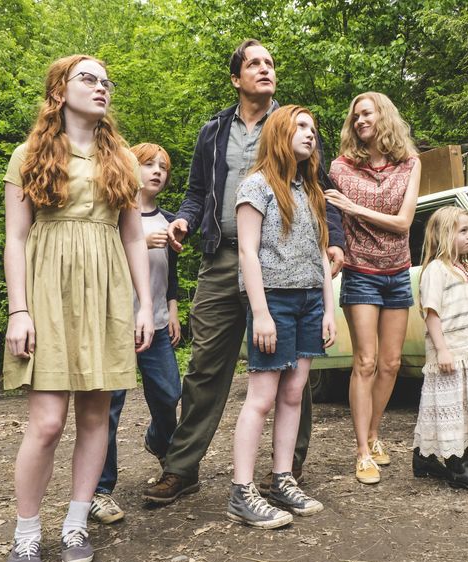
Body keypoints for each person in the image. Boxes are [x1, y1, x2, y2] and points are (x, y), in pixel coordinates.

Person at [144, 39, 345, 504]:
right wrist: (183, 221)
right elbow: (196, 193)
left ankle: (287, 468)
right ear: (236, 78)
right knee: (204, 367)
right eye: (254, 63)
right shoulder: (213, 132)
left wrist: (332, 241)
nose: (264, 69)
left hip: (283, 265)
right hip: (223, 256)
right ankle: (181, 467)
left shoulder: (292, 125)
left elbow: (320, 186)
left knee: (292, 362)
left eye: (270, 63)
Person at [2, 55, 154, 562]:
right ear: (59, 90)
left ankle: (75, 523)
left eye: (106, 81)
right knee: (46, 423)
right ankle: (26, 534)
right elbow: (16, 237)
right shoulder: (29, 155)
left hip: (107, 289)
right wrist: (18, 310)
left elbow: (133, 236)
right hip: (46, 289)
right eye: (88, 78)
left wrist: (145, 304)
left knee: (96, 418)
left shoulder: (124, 161)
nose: (101, 87)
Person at [228, 105, 336, 528]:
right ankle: (241, 491)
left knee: (294, 394)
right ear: (279, 132)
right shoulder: (256, 186)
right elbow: (247, 252)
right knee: (262, 397)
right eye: (301, 126)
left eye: (314, 127)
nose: (311, 134)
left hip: (310, 300)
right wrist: (261, 313)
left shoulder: (311, 190)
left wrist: (329, 309)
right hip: (273, 300)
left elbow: (321, 256)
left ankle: (282, 479)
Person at [325, 92, 421, 484]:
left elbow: (403, 223)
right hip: (361, 272)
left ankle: (375, 434)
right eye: (356, 115)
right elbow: (330, 212)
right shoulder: (341, 168)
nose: (360, 119)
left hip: (397, 271)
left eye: (367, 112)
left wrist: (354, 209)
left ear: (384, 117)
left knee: (391, 363)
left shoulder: (410, 163)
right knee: (365, 361)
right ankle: (362, 450)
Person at [89, 143, 183, 525]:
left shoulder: (171, 219)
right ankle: (100, 490)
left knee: (169, 393)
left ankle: (159, 442)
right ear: (131, 168)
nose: (157, 172)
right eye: (149, 165)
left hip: (157, 325)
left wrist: (173, 311)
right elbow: (99, 254)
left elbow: (169, 275)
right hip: (115, 326)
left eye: (163, 167)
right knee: (108, 409)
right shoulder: (112, 216)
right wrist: (142, 243)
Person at [411, 206, 468, 490]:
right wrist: (442, 349)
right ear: (445, 234)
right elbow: (431, 312)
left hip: (467, 353)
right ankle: (459, 467)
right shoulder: (437, 270)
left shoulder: (465, 270)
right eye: (463, 230)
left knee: (455, 408)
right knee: (451, 409)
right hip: (450, 354)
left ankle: (423, 459)